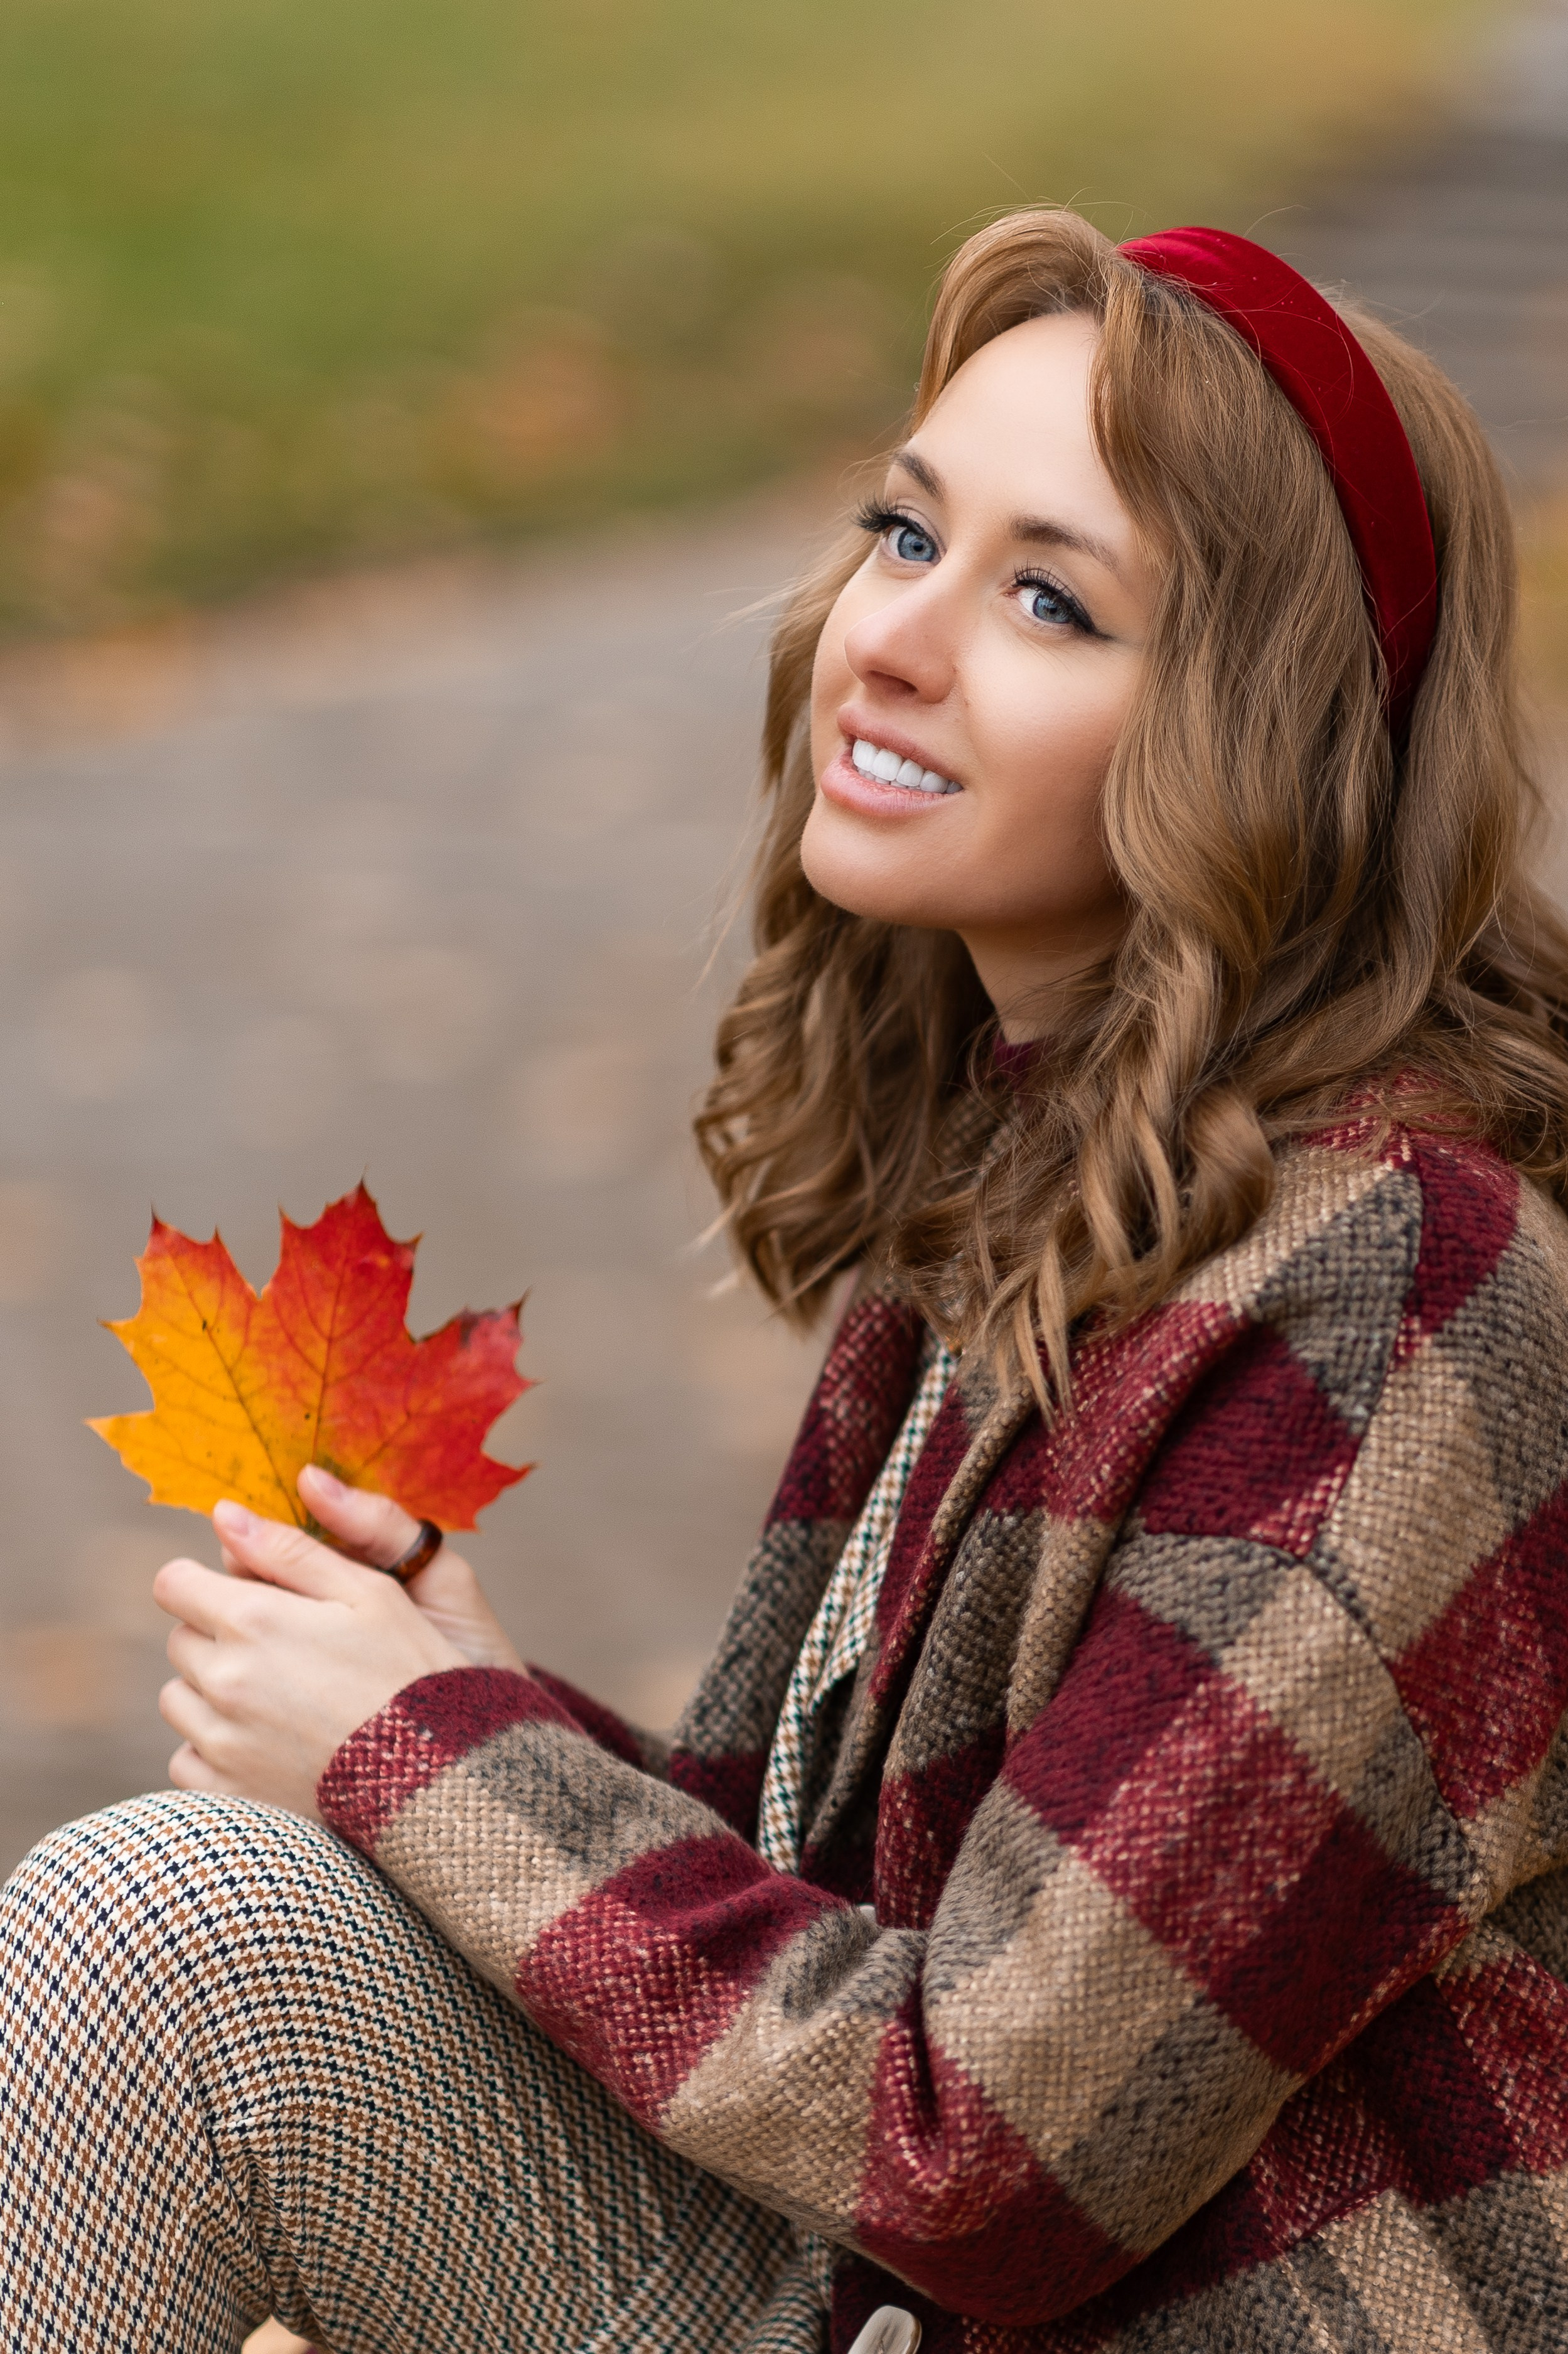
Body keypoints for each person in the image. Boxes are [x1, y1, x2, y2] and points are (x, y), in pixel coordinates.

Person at [4, 207, 1568, 2354]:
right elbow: (841, 1919)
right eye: (901, 532)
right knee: (198, 1945)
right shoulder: (1056, 1167)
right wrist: (480, 1700)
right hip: (901, 2295)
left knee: (174, 1950)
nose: (897, 637)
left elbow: (992, 2144)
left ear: (1257, 735)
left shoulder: (1398, 1291)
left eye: (1047, 598)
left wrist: (418, 1755)